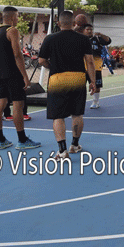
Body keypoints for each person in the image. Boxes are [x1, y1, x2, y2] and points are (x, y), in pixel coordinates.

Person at [38, 10, 96, 160]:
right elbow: (90, 62)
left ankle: (62, 151)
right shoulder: (83, 39)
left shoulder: (50, 38)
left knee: (58, 116)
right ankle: (74, 145)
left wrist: (52, 66)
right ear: (74, 23)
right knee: (77, 113)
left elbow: (41, 60)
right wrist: (93, 81)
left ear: (58, 23)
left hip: (57, 79)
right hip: (77, 78)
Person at [0, 6, 39, 150]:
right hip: (13, 74)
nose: (18, 19)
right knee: (18, 105)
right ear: (11, 17)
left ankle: (0, 140)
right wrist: (25, 76)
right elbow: (17, 54)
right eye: (17, 16)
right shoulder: (12, 31)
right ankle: (22, 140)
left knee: (0, 105)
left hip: (0, 74)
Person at [83, 24, 111, 109]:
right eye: (87, 29)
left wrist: (101, 34)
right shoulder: (81, 39)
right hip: (83, 66)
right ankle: (80, 102)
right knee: (80, 86)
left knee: (97, 85)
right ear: (84, 30)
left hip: (96, 65)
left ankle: (95, 102)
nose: (89, 31)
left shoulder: (97, 39)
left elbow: (108, 41)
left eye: (91, 29)